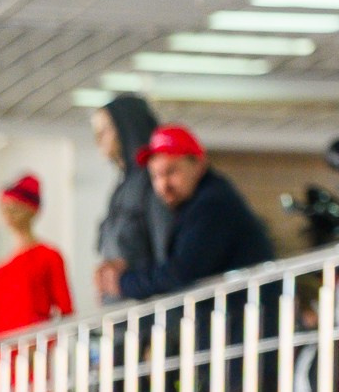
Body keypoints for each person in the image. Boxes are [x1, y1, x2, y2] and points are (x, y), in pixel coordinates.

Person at [99, 126, 275, 301]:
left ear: (198, 165)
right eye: (156, 176)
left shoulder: (212, 204)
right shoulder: (197, 203)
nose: (163, 185)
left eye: (171, 172)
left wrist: (122, 282)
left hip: (247, 320)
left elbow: (180, 273)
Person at [91, 93, 169, 283]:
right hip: (120, 305)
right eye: (96, 133)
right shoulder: (121, 188)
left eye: (105, 131)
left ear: (126, 129)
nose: (99, 140)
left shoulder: (152, 182)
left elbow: (164, 256)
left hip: (146, 303)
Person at [0, 174, 73, 337]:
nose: (8, 214)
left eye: (15, 207)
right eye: (5, 208)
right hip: (1, 353)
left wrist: (46, 343)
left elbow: (65, 310)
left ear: (31, 210)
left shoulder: (49, 256)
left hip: (33, 350)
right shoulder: (0, 269)